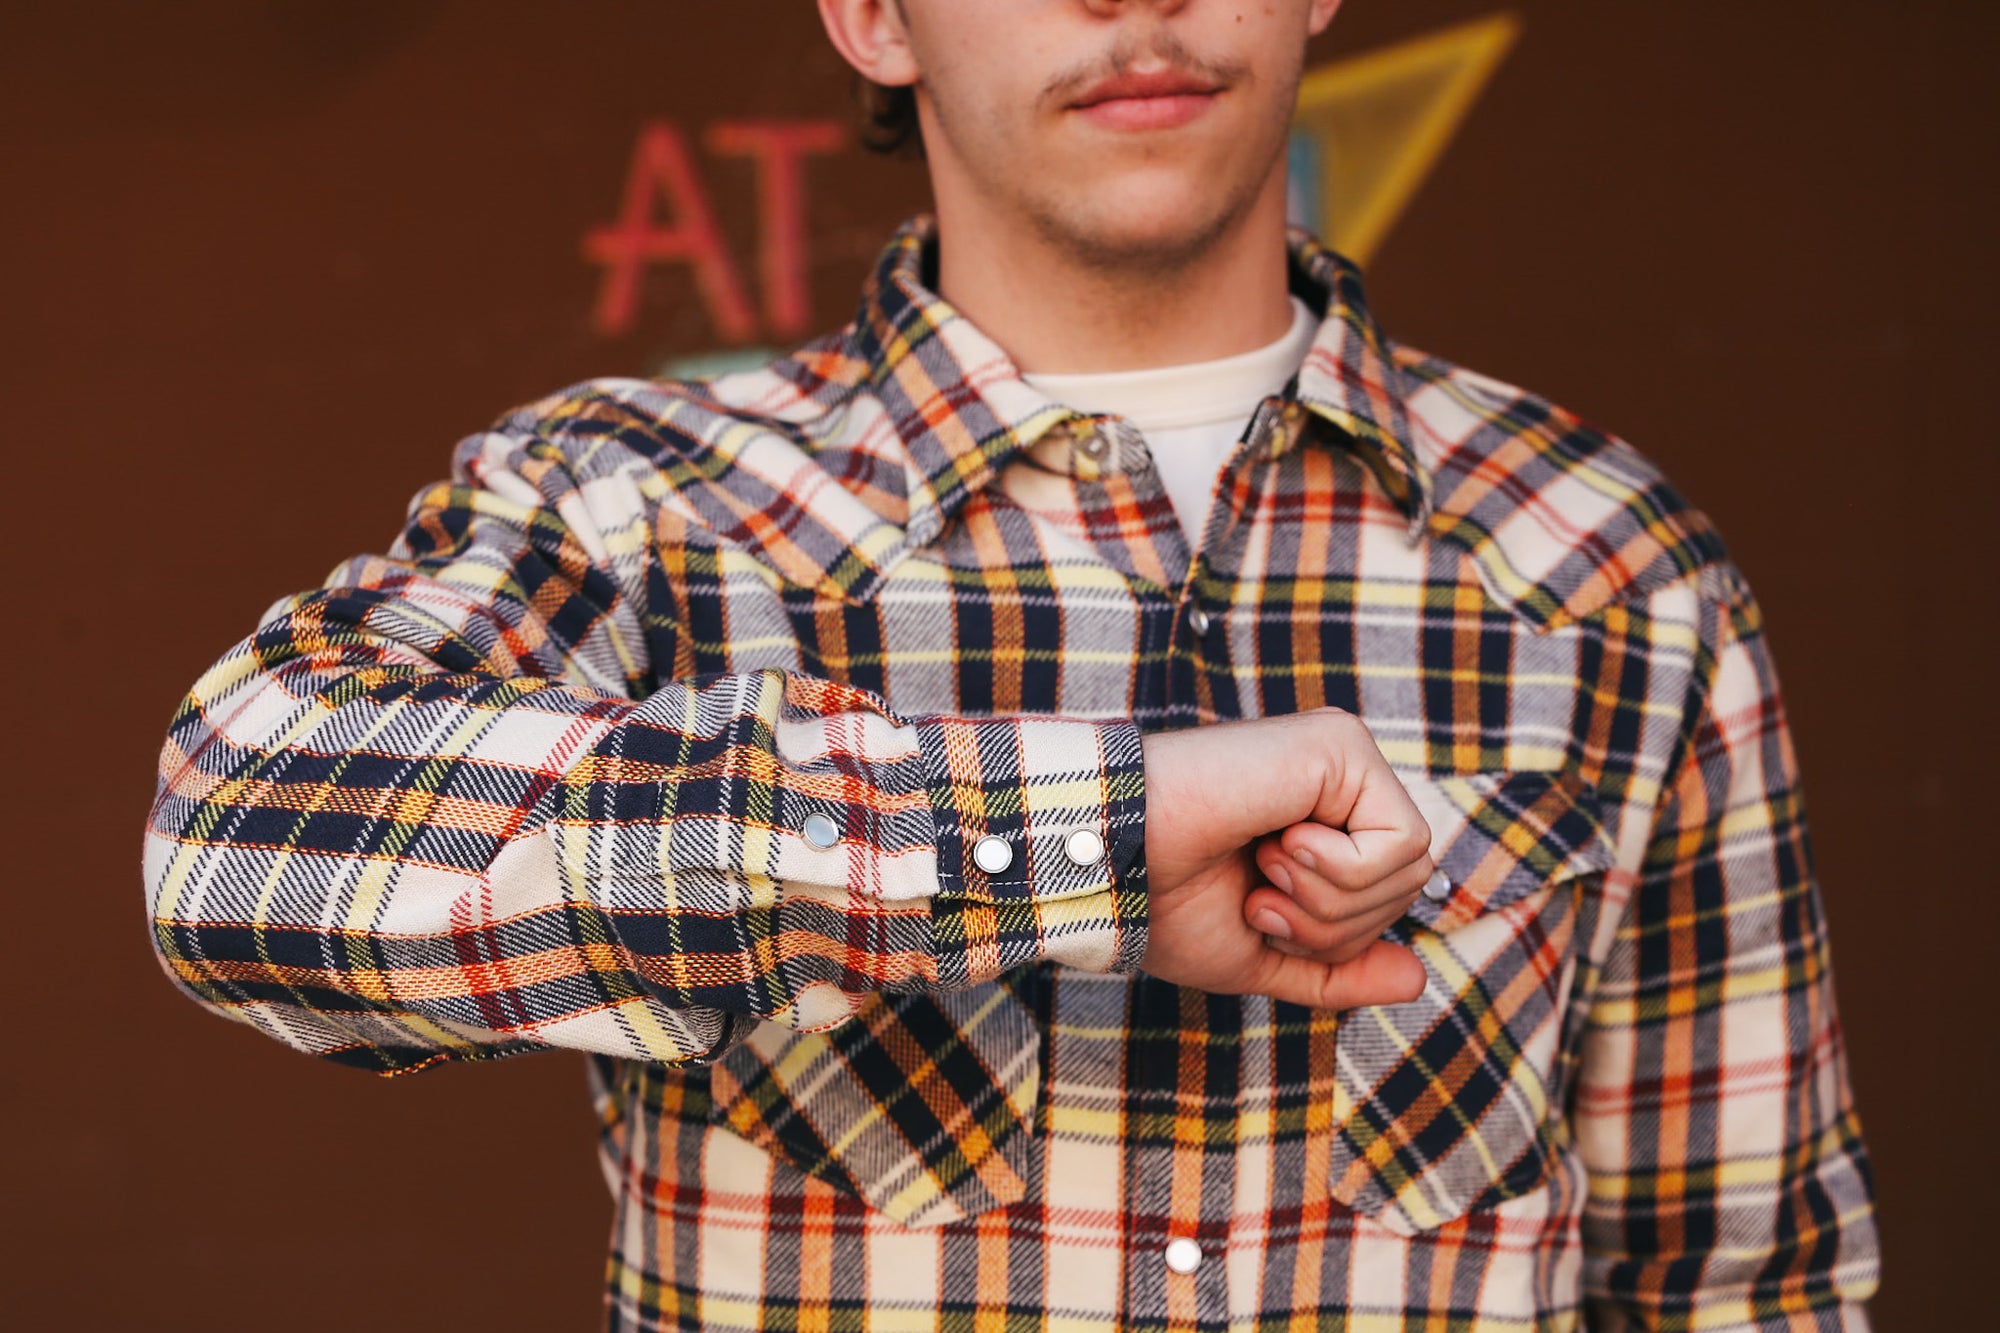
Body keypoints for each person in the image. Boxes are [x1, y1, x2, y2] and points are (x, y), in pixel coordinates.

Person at [142, 0, 1881, 1328]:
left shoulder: (1610, 566)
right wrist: (1086, 839)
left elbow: (1745, 1285)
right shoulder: (642, 514)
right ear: (874, 14)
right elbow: (237, 841)